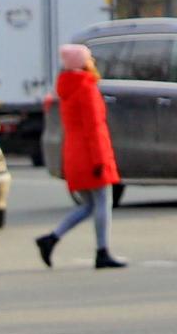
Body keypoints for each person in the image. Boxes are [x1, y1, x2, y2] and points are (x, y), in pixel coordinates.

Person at [37, 43, 126, 270]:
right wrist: (100, 160)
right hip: (90, 154)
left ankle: (51, 239)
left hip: (74, 153)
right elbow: (94, 127)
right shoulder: (86, 88)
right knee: (103, 203)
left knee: (88, 205)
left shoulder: (67, 87)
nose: (93, 62)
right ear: (82, 63)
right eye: (89, 59)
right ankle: (102, 251)